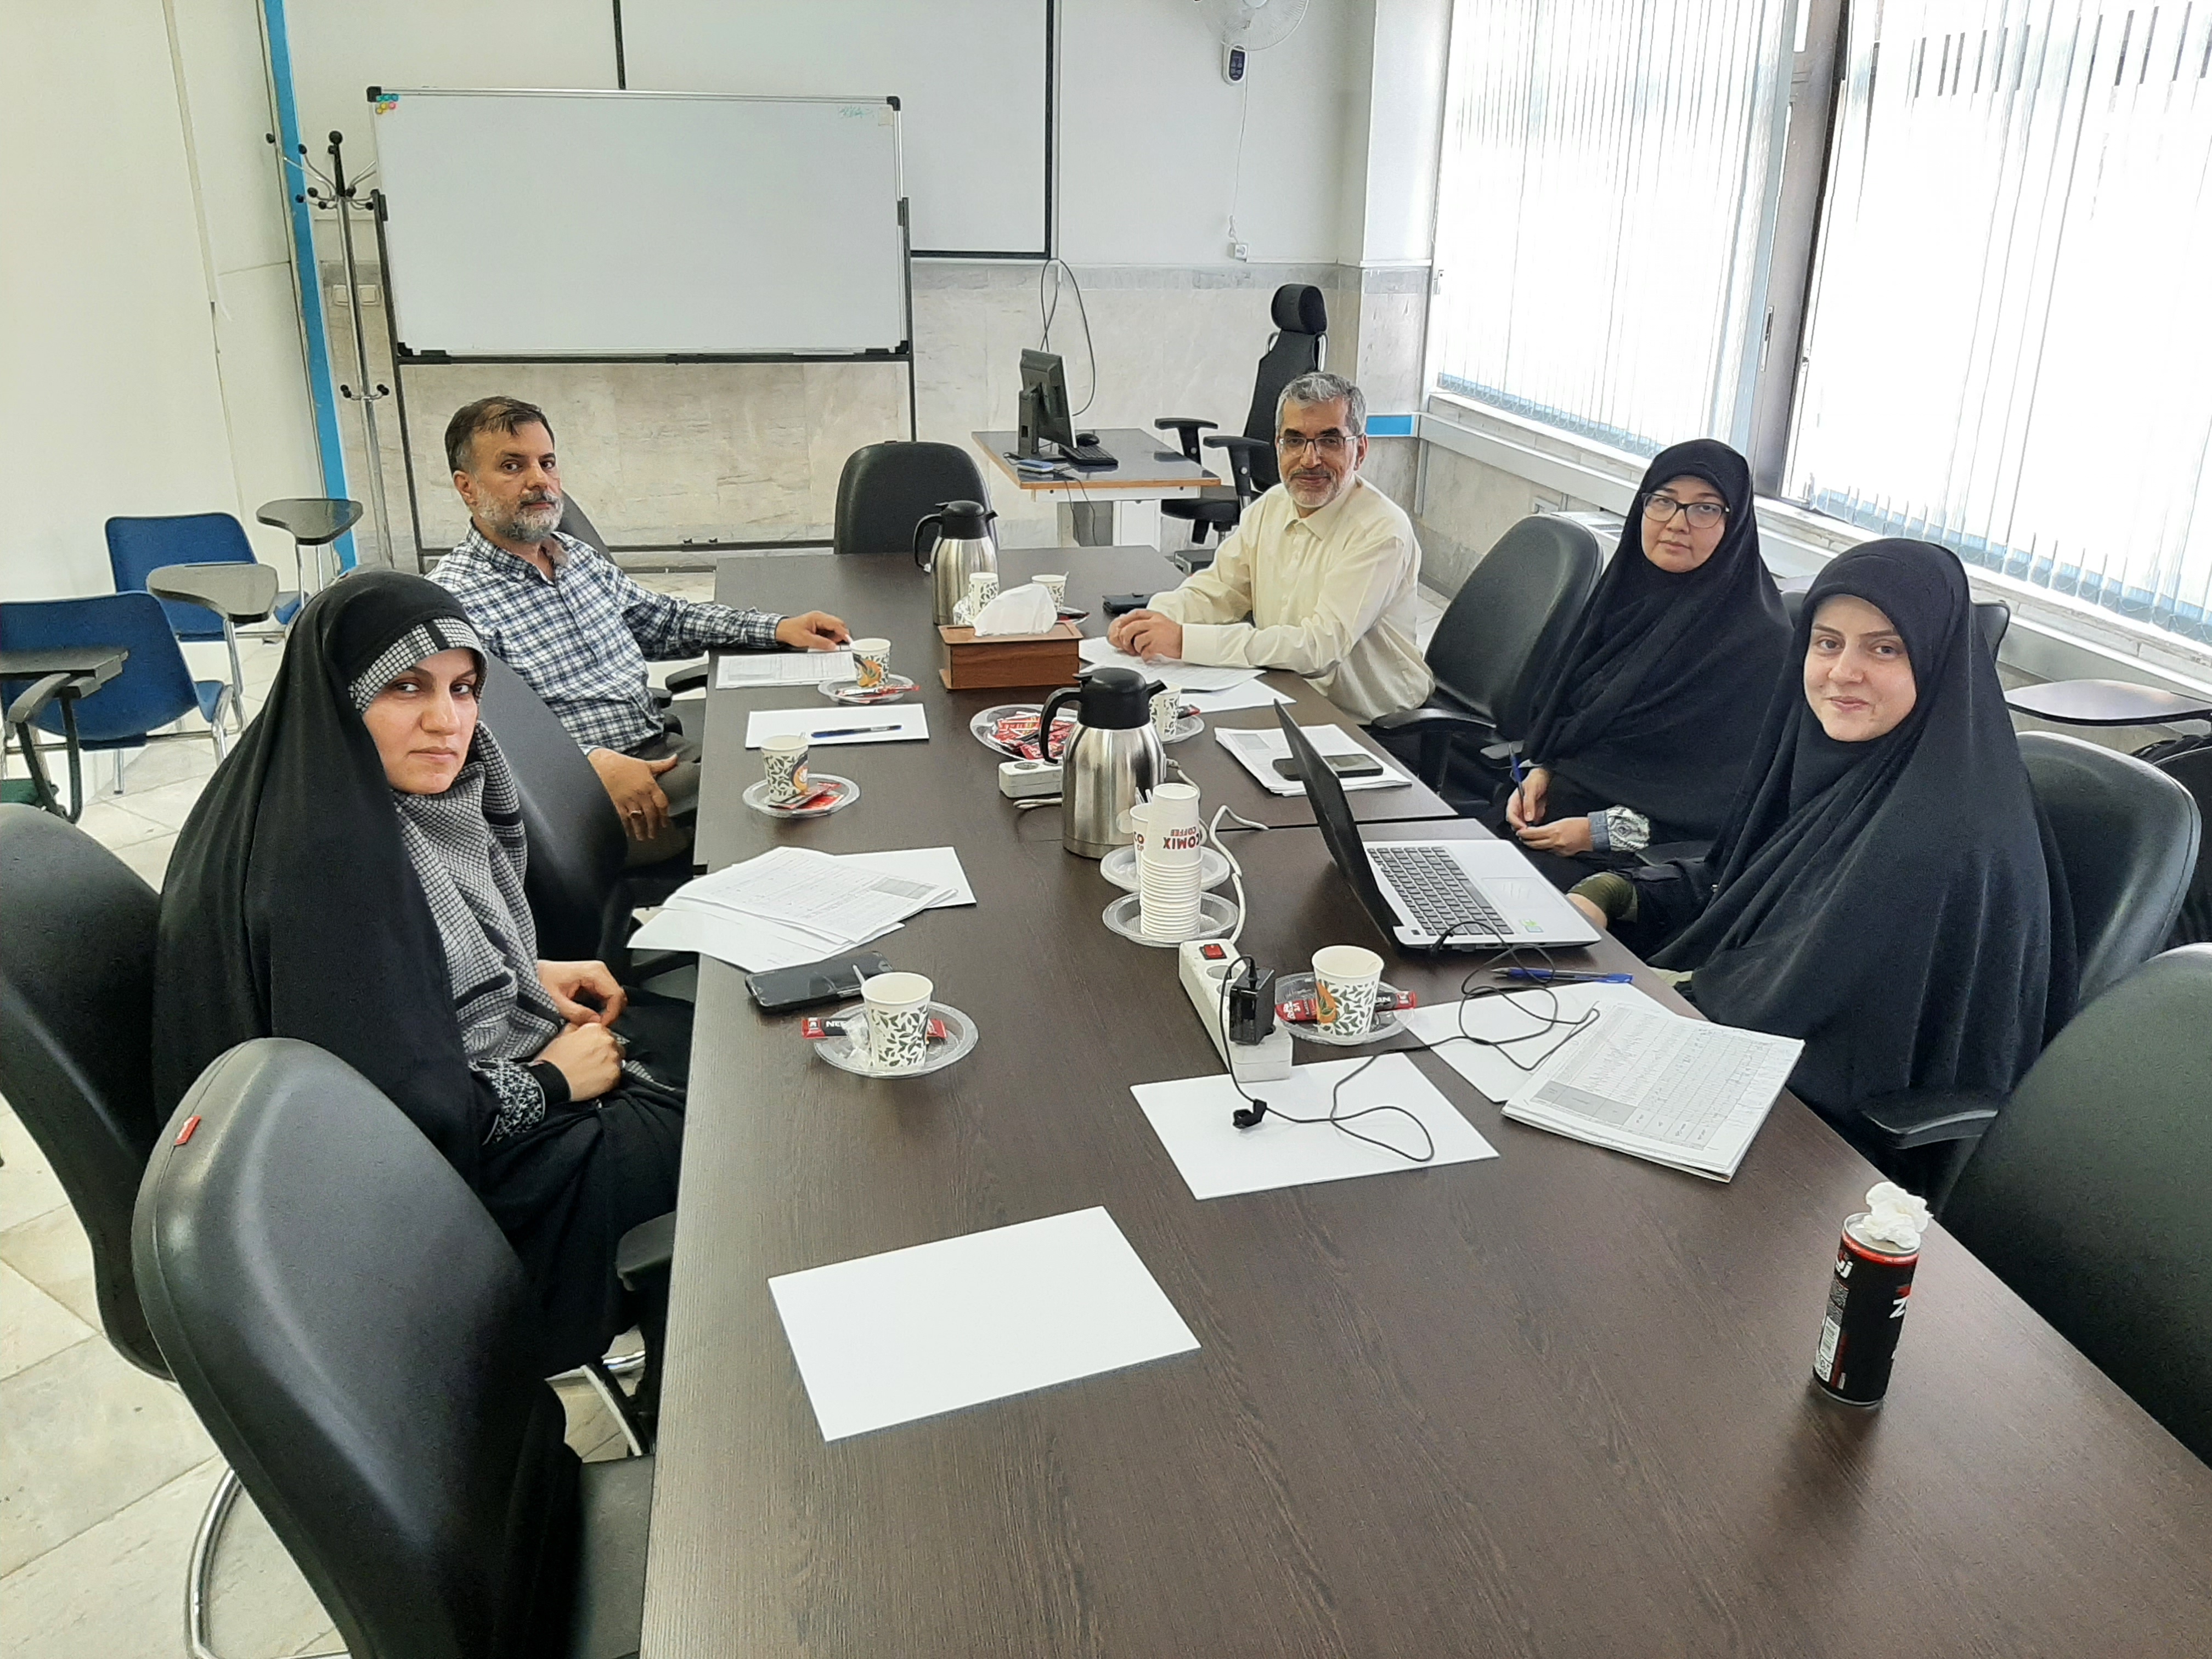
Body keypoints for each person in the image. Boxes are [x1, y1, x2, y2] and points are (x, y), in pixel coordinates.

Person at [153, 571, 686, 1376]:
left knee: (710, 1041)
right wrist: (550, 1081)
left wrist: (518, 969)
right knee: (738, 1132)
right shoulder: (331, 873)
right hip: (450, 1212)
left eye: (464, 688)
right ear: (342, 697)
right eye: (406, 688)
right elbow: (383, 1133)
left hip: (461, 1110)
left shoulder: (326, 793)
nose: (448, 721)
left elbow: (391, 984)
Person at [1566, 539, 2077, 1127]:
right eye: (1827, 643)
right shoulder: (1849, 767)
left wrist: (1621, 993)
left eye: (1885, 648)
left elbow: (1801, 1014)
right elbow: (1740, 886)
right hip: (1741, 1062)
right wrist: (1613, 893)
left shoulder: (1938, 834)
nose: (1843, 672)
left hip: (1819, 1132)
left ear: (1938, 658)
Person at [430, 395, 849, 862]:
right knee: (786, 780)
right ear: (467, 488)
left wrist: (775, 628)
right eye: (512, 466)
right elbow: (474, 738)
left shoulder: (572, 557)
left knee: (806, 747)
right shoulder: (453, 602)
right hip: (587, 796)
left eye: (547, 463)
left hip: (659, 749)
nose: (539, 481)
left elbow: (664, 621)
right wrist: (590, 761)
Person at [1499, 439, 1790, 889]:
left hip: (1634, 869)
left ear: (1735, 524)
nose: (1677, 523)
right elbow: (1571, 718)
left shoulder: (1759, 644)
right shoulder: (1619, 600)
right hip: (1547, 817)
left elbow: (1726, 808)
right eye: (1663, 501)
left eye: (1705, 509)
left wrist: (1599, 832)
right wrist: (1542, 772)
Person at [1106, 372, 1432, 723]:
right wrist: (1152, 620)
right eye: (1294, 441)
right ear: (1278, 446)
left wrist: (1184, 640)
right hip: (1287, 693)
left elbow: (1319, 648)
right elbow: (1219, 591)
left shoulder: (1381, 531)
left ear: (1360, 450)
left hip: (1371, 725)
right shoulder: (1271, 506)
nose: (1309, 459)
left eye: (1329, 441)